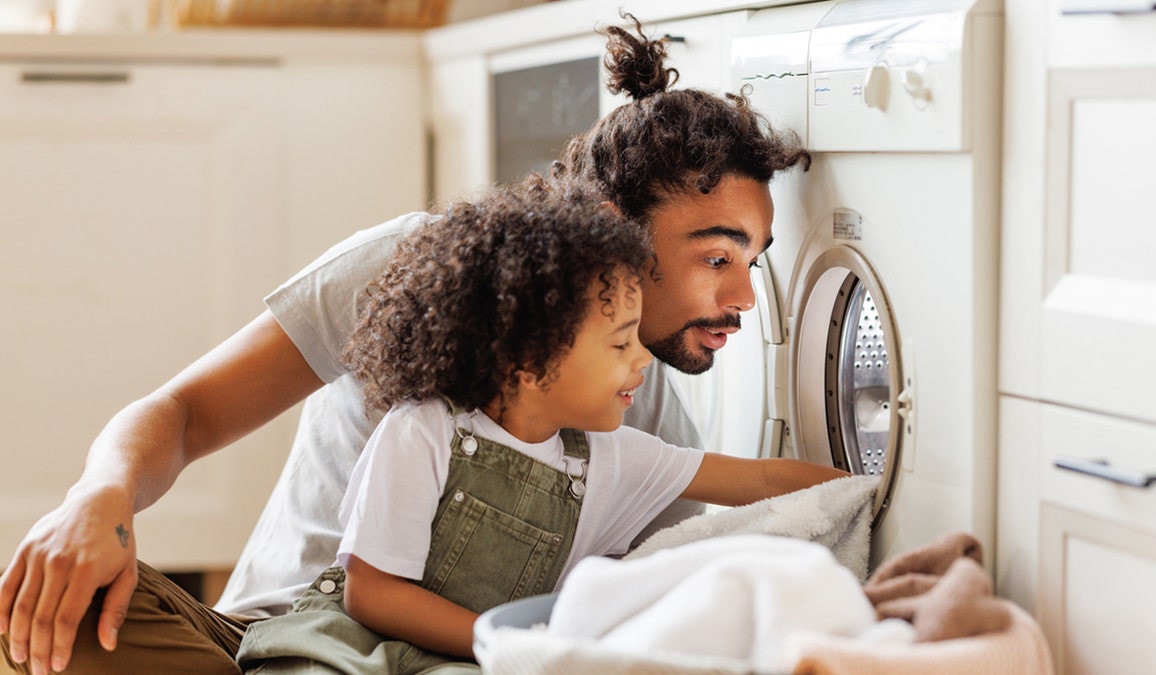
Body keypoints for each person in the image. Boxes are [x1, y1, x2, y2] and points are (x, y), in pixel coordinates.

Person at [0, 12, 811, 675]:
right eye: (716, 256)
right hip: (275, 639)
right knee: (47, 614)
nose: (742, 297)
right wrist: (98, 495)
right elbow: (185, 412)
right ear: (612, 227)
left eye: (753, 263)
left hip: (447, 662)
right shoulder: (419, 265)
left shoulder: (638, 411)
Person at [235, 175, 846, 674]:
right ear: (530, 360)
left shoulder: (612, 453)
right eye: (620, 343)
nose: (642, 361)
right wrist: (502, 640)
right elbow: (370, 592)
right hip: (349, 647)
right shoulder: (423, 431)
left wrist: (872, 489)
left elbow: (760, 480)